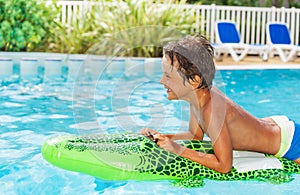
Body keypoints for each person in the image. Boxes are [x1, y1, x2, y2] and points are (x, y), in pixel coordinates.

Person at [141, 35, 300, 173]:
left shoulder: (211, 111)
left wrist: (176, 149)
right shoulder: (198, 97)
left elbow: (224, 165)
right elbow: (194, 136)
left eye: (168, 76)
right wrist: (162, 138)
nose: (162, 81)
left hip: (289, 142)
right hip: (276, 126)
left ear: (194, 81)